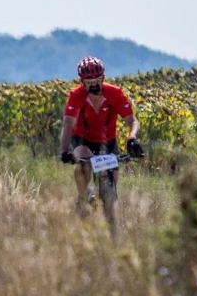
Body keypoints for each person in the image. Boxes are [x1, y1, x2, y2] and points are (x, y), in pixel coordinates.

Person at [59, 56, 142, 233]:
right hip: (82, 138)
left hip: (107, 141)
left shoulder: (114, 93)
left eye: (97, 81)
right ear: (82, 82)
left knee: (110, 193)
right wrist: (64, 150)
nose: (93, 85)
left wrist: (132, 138)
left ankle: (112, 231)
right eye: (89, 82)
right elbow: (68, 124)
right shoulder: (76, 96)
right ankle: (83, 197)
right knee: (83, 163)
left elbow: (132, 120)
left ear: (103, 78)